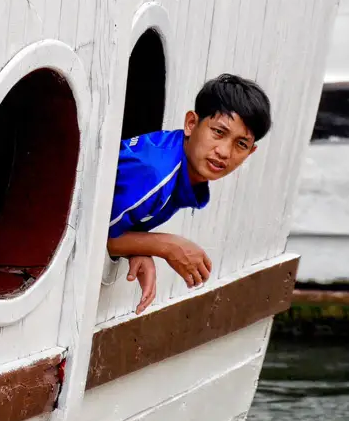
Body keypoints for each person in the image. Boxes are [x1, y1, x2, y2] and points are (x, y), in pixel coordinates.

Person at [106, 73, 272, 314]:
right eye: (218, 132)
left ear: (251, 152)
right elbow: (91, 238)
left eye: (241, 144)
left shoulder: (174, 159)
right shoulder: (155, 173)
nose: (225, 152)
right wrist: (165, 245)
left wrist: (137, 247)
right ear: (191, 124)